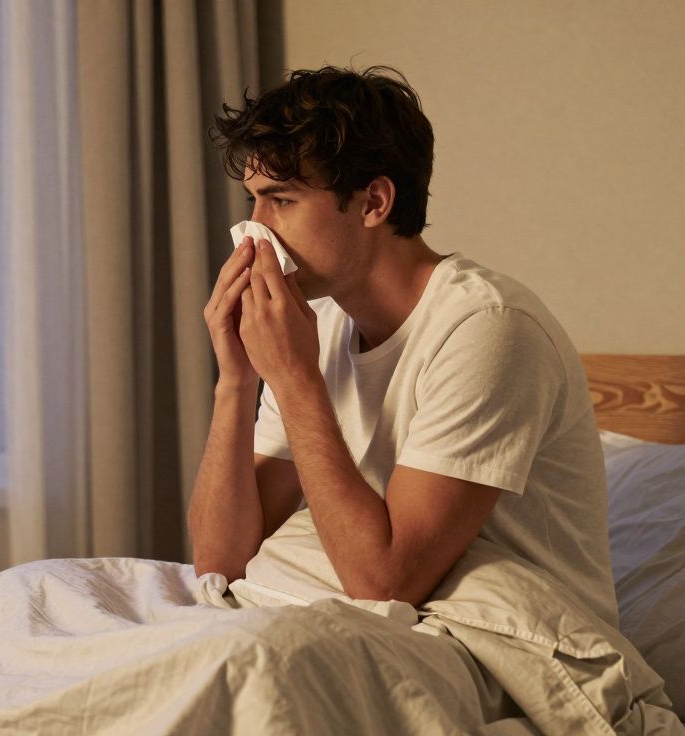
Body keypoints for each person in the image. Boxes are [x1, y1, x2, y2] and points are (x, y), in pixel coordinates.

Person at [187, 65, 618, 625]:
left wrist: (294, 378)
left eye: (282, 200)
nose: (255, 231)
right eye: (253, 202)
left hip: (508, 641)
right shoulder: (315, 322)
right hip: (378, 630)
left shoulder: (488, 328)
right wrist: (237, 379)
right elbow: (219, 563)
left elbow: (384, 582)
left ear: (373, 203)